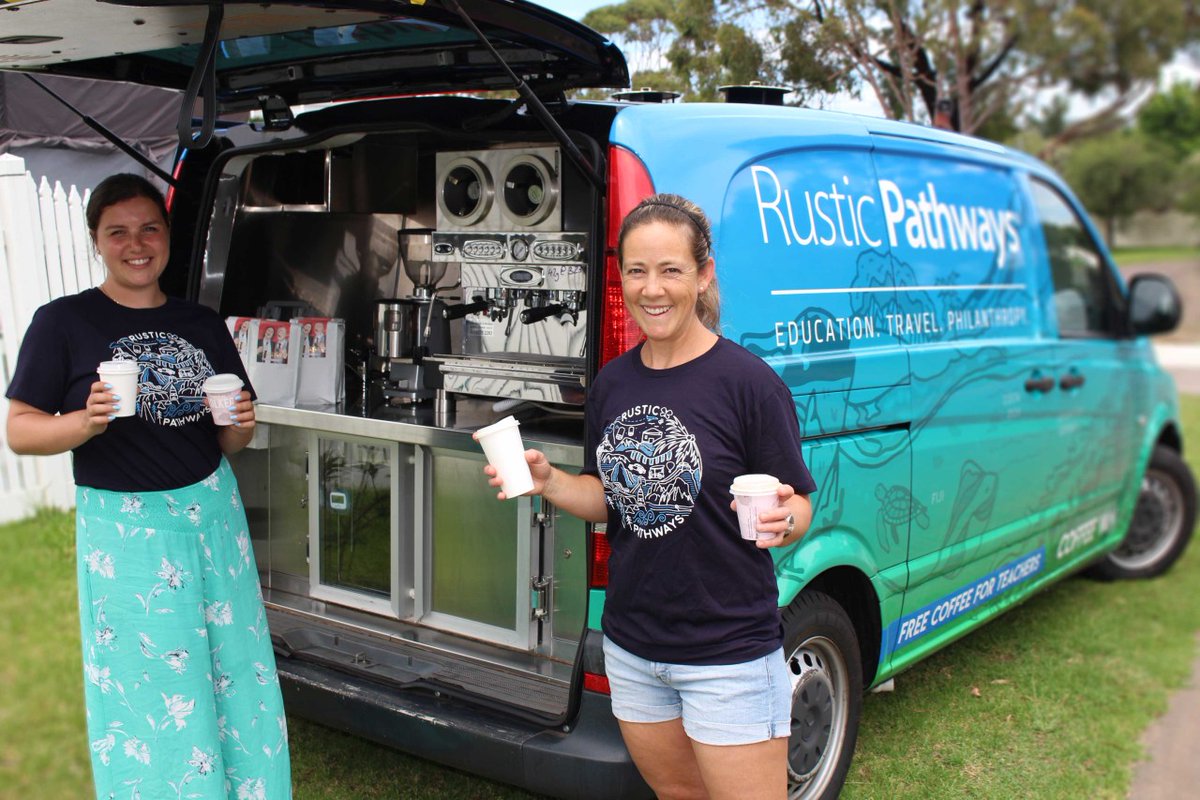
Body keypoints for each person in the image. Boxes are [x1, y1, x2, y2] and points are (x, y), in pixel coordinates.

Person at [478, 193, 815, 799]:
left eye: (670, 270)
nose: (651, 289)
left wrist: (785, 517)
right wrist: (550, 482)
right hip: (634, 647)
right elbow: (611, 500)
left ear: (703, 275)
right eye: (636, 270)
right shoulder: (613, 383)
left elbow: (800, 504)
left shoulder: (750, 385)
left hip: (728, 654)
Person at [5, 173, 292, 799]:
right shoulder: (64, 322)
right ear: (96, 241)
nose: (136, 245)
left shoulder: (201, 323)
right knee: (150, 688)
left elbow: (229, 437)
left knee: (233, 672)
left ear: (167, 237)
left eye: (149, 229)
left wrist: (242, 425)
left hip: (213, 515)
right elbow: (21, 432)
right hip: (129, 535)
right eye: (118, 232)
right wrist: (85, 421)